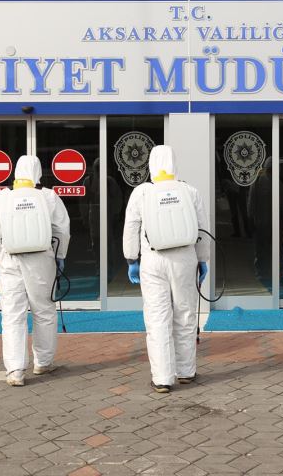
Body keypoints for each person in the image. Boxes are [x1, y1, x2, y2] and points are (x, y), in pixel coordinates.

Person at [123, 146, 210, 394]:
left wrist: (131, 260)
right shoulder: (189, 191)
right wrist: (203, 259)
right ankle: (186, 371)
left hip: (153, 260)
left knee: (157, 317)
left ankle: (162, 378)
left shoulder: (142, 192)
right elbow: (202, 228)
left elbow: (131, 227)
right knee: (185, 314)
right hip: (185, 258)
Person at [0, 155, 71, 386]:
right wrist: (60, 256)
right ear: (38, 173)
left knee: (12, 315)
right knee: (44, 311)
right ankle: (43, 362)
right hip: (41, 260)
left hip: (9, 259)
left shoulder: (2, 197)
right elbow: (62, 229)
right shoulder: (48, 196)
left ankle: (15, 370)